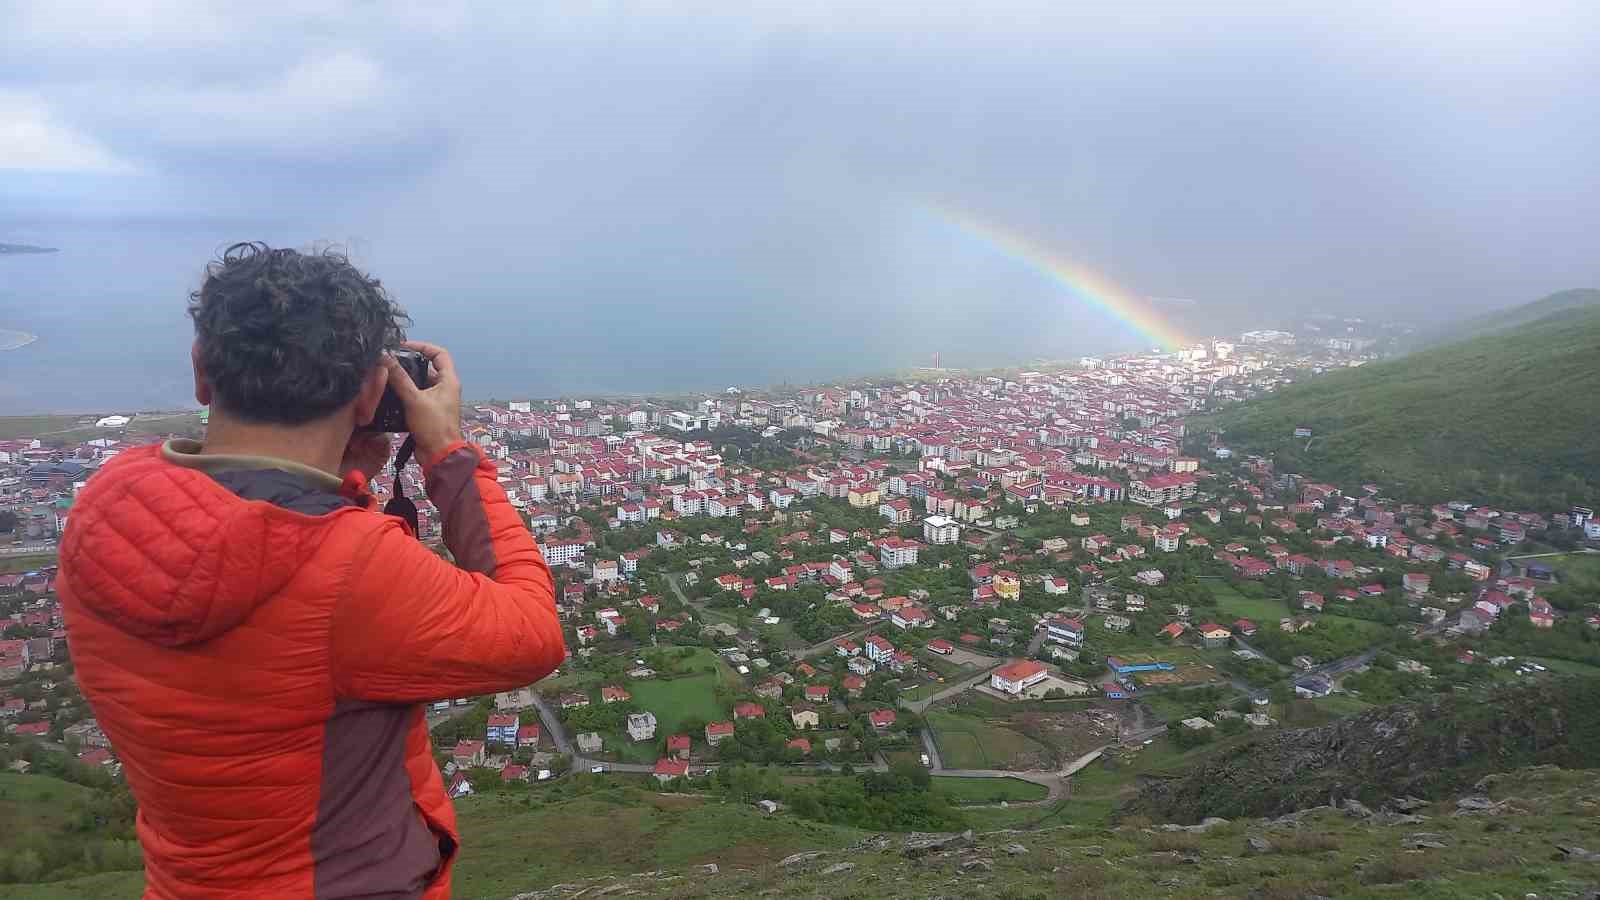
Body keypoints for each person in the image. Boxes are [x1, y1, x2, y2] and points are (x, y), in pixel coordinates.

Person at [59, 243, 566, 899]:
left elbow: (265, 553)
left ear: (201, 373)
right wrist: (450, 455)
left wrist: (335, 481)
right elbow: (532, 631)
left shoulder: (104, 512)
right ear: (371, 392)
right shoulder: (348, 567)